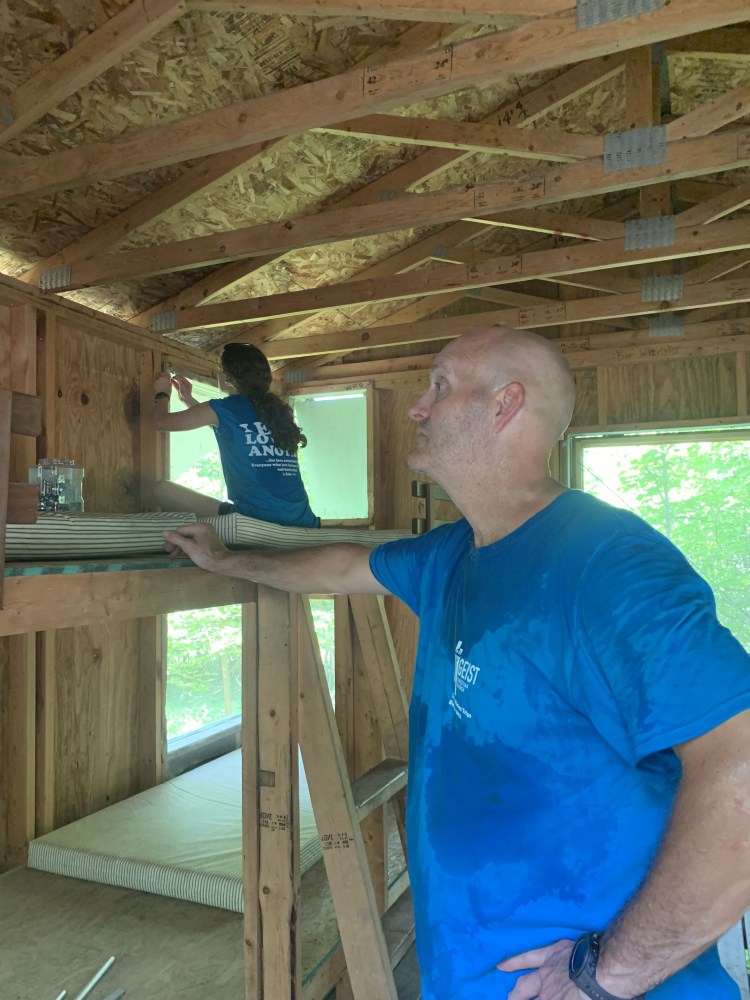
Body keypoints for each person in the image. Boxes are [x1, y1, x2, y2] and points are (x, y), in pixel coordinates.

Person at [162, 325, 750, 1000]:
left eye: (438, 386)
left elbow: (742, 776)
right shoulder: (454, 553)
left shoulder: (607, 564)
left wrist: (607, 974)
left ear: (505, 406)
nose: (417, 407)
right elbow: (344, 565)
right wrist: (226, 561)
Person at [150, 342, 319, 527]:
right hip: (303, 522)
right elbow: (234, 433)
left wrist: (163, 393)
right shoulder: (278, 411)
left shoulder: (224, 408)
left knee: (160, 490)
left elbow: (160, 422)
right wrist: (189, 400)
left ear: (227, 377)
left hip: (256, 520)